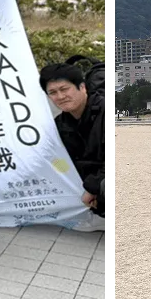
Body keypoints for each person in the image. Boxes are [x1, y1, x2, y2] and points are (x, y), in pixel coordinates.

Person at [44, 61, 106, 215]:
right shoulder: (59, 125)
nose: (60, 97)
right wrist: (69, 179)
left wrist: (92, 187)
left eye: (64, 89)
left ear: (82, 87)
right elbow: (56, 159)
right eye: (52, 92)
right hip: (87, 190)